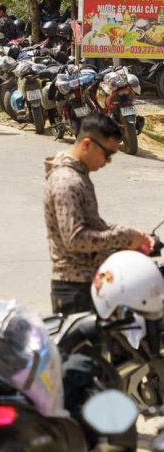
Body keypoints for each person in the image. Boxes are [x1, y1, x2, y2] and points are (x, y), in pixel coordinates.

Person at [44, 113, 154, 314]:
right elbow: (76, 239)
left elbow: (93, 224)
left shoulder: (78, 175)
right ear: (87, 144)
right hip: (75, 289)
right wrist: (123, 237)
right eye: (107, 153)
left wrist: (132, 234)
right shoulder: (67, 181)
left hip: (89, 283)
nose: (108, 161)